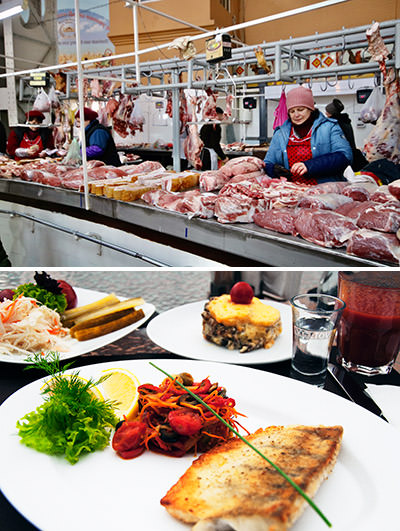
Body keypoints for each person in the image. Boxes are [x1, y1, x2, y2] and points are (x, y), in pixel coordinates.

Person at [264, 86, 353, 185]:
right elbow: (267, 162)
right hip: (292, 191)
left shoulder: (329, 127)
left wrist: (310, 166)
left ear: (311, 109)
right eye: (292, 111)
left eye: (300, 109)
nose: (296, 115)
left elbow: (345, 155)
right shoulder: (281, 133)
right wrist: (273, 170)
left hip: (324, 191)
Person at [325, 98, 368, 172]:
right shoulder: (346, 121)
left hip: (343, 157)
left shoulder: (334, 124)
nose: (325, 113)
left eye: (327, 112)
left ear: (331, 113)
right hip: (353, 155)